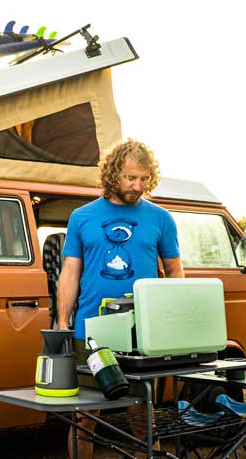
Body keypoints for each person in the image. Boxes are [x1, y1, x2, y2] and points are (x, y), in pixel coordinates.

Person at [56, 139, 184, 458]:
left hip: (142, 334)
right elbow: (70, 272)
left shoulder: (161, 219)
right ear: (113, 174)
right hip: (91, 332)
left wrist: (169, 321)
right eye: (130, 178)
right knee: (84, 417)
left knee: (143, 417)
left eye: (143, 179)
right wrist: (61, 323)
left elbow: (174, 272)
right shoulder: (82, 217)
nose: (138, 186)